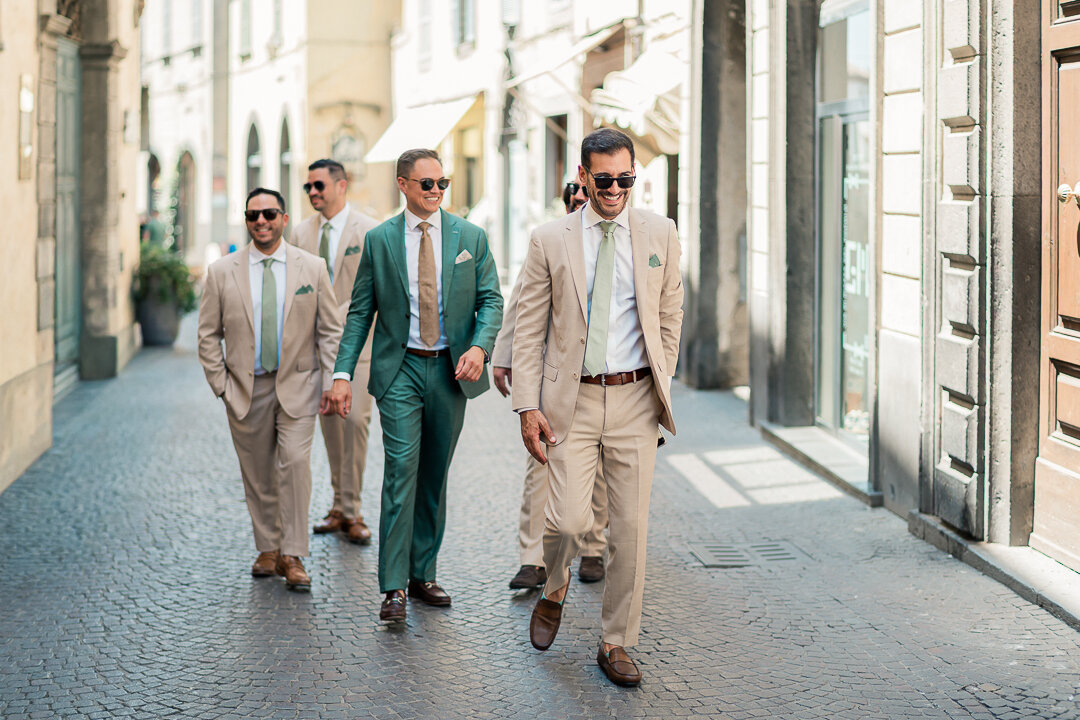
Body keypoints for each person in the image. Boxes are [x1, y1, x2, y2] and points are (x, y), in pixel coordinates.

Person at [513, 128, 684, 687]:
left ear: (635, 175)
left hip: (635, 399)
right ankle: (555, 584)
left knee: (630, 532)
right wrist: (527, 407)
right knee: (565, 521)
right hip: (572, 401)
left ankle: (616, 643)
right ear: (583, 177)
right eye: (604, 179)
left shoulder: (661, 231)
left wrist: (663, 378)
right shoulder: (550, 239)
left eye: (625, 179)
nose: (615, 189)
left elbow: (670, 310)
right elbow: (530, 325)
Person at [329, 148, 503, 622]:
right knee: (402, 470)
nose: (436, 191)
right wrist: (342, 374)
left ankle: (422, 574)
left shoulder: (470, 236)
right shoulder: (382, 240)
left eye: (442, 183)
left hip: (452, 372)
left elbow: (491, 300)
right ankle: (392, 588)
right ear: (403, 185)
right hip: (400, 370)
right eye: (426, 184)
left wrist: (480, 348)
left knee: (434, 475)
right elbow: (361, 310)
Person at [197, 187, 341, 592]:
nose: (261, 221)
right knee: (258, 475)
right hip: (246, 388)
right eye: (253, 215)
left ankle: (293, 554)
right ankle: (268, 548)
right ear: (246, 221)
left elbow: (330, 330)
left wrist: (332, 380)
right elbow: (208, 334)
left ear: (283, 218)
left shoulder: (311, 268)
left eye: (269, 214)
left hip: (300, 383)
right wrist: (221, 384)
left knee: (294, 465)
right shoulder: (221, 271)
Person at [493, 179, 608, 590]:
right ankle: (533, 558)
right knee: (539, 466)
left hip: (601, 377)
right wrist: (503, 356)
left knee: (598, 470)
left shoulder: (609, 245)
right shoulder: (548, 243)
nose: (579, 204)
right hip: (553, 378)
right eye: (572, 200)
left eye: (583, 198)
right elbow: (521, 304)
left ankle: (593, 547)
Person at [290, 159, 379, 545]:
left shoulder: (370, 230)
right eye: (308, 187)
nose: (312, 193)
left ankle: (353, 509)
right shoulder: (299, 233)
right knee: (330, 424)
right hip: (316, 348)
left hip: (358, 347)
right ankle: (339, 506)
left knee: (355, 422)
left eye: (319, 186)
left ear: (341, 185)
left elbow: (376, 289)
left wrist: (338, 316)